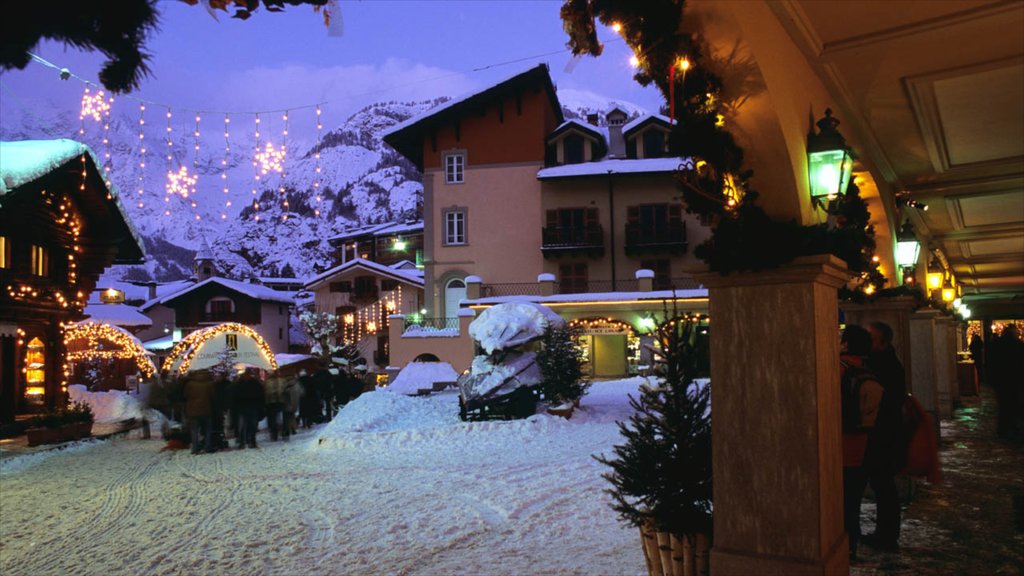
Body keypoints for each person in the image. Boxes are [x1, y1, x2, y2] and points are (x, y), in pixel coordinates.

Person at [840, 324, 885, 560]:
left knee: (837, 503)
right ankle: (851, 546)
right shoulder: (869, 370)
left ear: (845, 343)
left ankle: (839, 546)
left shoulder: (836, 368)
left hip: (839, 445)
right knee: (853, 501)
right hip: (862, 444)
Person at [864, 321, 907, 551]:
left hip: (884, 434)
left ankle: (887, 536)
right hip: (887, 433)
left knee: (883, 485)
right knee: (883, 485)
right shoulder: (889, 362)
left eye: (870, 339)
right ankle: (886, 533)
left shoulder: (883, 366)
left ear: (882, 342)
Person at [988, 324, 1023, 440]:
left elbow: (992, 362)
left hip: (1001, 380)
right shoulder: (1018, 345)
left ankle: (1003, 428)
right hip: (1014, 379)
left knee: (1003, 404)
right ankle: (1011, 427)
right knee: (1013, 403)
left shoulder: (997, 344)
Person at [183, 369, 215, 454]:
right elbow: (213, 396)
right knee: (208, 429)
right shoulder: (209, 384)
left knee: (194, 430)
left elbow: (185, 395)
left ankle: (195, 447)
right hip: (206, 409)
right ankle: (207, 446)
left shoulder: (190, 384)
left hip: (193, 410)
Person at [233, 368, 264, 449]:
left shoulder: (239, 383)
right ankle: (249, 441)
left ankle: (247, 442)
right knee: (250, 425)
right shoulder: (253, 382)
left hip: (245, 407)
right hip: (250, 406)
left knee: (246, 425)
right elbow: (260, 394)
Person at [263, 371, 286, 442]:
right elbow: (284, 390)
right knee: (281, 417)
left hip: (270, 403)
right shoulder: (282, 381)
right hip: (280, 402)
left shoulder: (266, 382)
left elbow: (265, 393)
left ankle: (274, 434)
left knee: (272, 419)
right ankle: (283, 431)